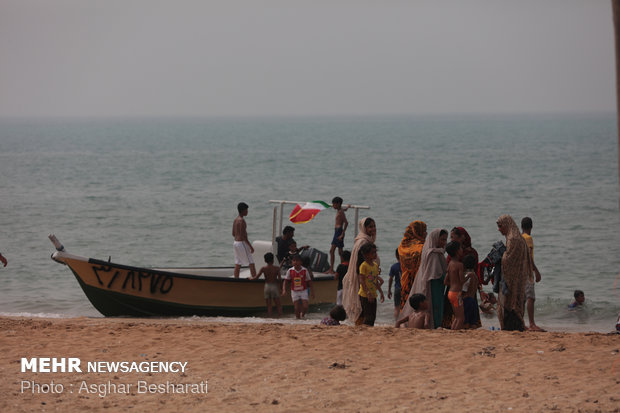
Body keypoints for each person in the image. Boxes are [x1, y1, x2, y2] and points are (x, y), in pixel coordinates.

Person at [402, 229, 448, 329]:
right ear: (435, 239)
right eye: (442, 240)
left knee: (438, 306)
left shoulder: (435, 252)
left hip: (438, 286)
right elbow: (435, 273)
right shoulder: (433, 254)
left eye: (445, 240)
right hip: (434, 285)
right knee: (435, 307)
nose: (444, 242)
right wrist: (448, 279)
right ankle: (435, 325)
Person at [496, 214, 532, 331]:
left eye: (500, 226)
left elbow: (508, 259)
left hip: (512, 279)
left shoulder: (513, 239)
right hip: (518, 278)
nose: (499, 229)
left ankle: (511, 327)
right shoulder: (515, 237)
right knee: (516, 302)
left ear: (507, 225)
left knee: (510, 303)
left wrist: (500, 255)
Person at [342, 217, 378, 325]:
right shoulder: (363, 242)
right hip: (363, 280)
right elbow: (360, 264)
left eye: (374, 226)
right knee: (364, 307)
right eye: (370, 227)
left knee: (366, 307)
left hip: (369, 279)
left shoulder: (365, 240)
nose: (373, 229)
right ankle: (361, 327)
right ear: (364, 228)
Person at [521, 217, 544, 332]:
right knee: (531, 297)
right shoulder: (528, 238)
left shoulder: (519, 238)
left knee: (523, 298)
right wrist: (536, 271)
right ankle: (532, 324)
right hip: (528, 271)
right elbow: (529, 256)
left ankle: (522, 322)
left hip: (520, 271)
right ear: (531, 227)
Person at [398, 221, 427, 311]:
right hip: (417, 279)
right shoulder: (421, 246)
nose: (426, 233)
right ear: (418, 232)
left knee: (406, 303)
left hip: (405, 278)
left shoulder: (402, 245)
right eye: (424, 231)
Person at [357, 243, 384, 326]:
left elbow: (375, 281)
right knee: (368, 316)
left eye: (375, 252)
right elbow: (361, 280)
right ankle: (364, 331)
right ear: (366, 255)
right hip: (365, 294)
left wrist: (381, 292)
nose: (375, 254)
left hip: (373, 294)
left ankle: (368, 330)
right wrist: (368, 292)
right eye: (373, 252)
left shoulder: (375, 265)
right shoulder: (363, 266)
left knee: (373, 315)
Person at [281, 254, 315, 319]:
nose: (295, 262)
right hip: (294, 291)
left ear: (301, 262)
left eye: (297, 261)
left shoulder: (304, 270)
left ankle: (302, 315)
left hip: (303, 290)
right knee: (296, 308)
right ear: (292, 262)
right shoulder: (290, 271)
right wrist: (284, 290)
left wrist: (312, 292)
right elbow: (285, 281)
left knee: (305, 306)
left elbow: (309, 281)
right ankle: (298, 319)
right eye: (294, 261)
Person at [249, 252, 282, 317]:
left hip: (267, 286)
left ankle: (270, 317)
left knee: (269, 305)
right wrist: (281, 288)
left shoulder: (263, 268)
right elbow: (280, 280)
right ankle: (280, 316)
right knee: (278, 304)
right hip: (274, 286)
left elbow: (256, 277)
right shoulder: (277, 268)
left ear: (265, 260)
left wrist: (250, 278)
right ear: (273, 260)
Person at [444, 241, 465, 330]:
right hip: (457, 294)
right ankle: (455, 334)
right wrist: (469, 276)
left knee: (456, 317)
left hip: (450, 293)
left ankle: (452, 333)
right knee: (461, 318)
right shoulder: (460, 265)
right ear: (457, 251)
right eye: (460, 248)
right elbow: (462, 280)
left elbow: (445, 282)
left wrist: (453, 283)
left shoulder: (450, 264)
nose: (462, 250)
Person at [232, 202, 256, 278]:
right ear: (243, 210)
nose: (247, 211)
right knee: (251, 263)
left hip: (235, 243)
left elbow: (233, 233)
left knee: (238, 263)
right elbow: (243, 236)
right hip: (241, 243)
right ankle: (255, 279)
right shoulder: (242, 221)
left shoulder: (235, 220)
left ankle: (236, 280)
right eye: (246, 210)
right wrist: (250, 246)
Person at [328, 197, 349, 274]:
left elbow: (346, 222)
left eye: (334, 204)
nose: (333, 206)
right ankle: (336, 268)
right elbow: (344, 209)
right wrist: (347, 207)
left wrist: (342, 234)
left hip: (339, 232)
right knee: (338, 251)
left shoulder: (340, 212)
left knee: (335, 251)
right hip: (336, 232)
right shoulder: (340, 210)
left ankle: (337, 268)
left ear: (338, 204)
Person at [462, 254, 481, 329]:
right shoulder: (475, 275)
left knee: (466, 320)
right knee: (473, 321)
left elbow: (464, 288)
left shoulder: (468, 275)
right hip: (473, 300)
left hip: (467, 299)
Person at [387, 249, 402, 320]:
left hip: (397, 289)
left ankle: (396, 321)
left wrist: (389, 290)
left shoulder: (394, 267)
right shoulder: (407, 266)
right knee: (405, 306)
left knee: (397, 307)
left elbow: (390, 279)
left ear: (396, 256)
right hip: (406, 288)